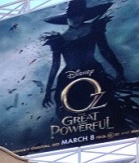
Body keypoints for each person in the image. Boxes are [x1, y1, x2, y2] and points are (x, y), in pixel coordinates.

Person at [40, 0, 131, 128]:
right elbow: (55, 65)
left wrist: (119, 71)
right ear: (67, 18)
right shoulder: (58, 40)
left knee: (107, 107)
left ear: (84, 15)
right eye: (72, 16)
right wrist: (48, 91)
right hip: (69, 78)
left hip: (94, 73)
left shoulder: (94, 28)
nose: (75, 19)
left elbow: (105, 51)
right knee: (71, 114)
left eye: (79, 15)